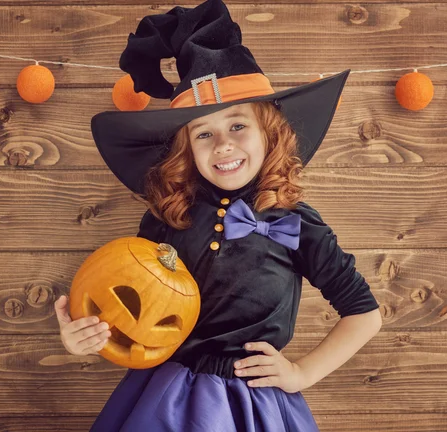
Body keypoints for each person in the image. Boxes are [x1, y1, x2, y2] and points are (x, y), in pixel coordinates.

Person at [55, 0, 383, 430]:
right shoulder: (166, 219)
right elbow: (133, 308)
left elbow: (365, 313)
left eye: (237, 126)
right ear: (185, 148)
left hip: (253, 405)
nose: (223, 145)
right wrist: (88, 335)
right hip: (164, 398)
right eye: (203, 133)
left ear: (270, 132)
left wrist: (303, 372)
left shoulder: (296, 224)